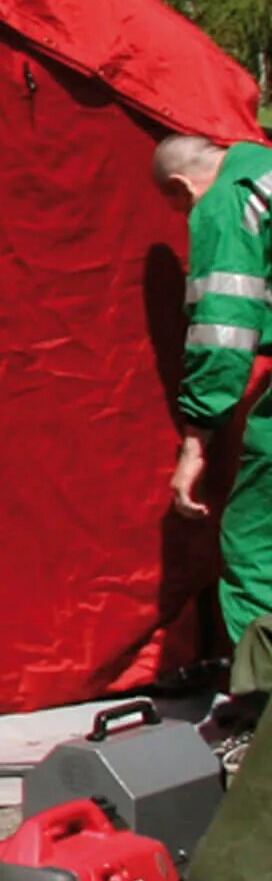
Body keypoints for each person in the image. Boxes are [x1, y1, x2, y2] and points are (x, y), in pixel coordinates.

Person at [152, 132, 272, 644]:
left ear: (181, 185)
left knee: (253, 539)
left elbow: (222, 329)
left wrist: (196, 441)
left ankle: (261, 703)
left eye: (180, 209)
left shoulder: (226, 202)